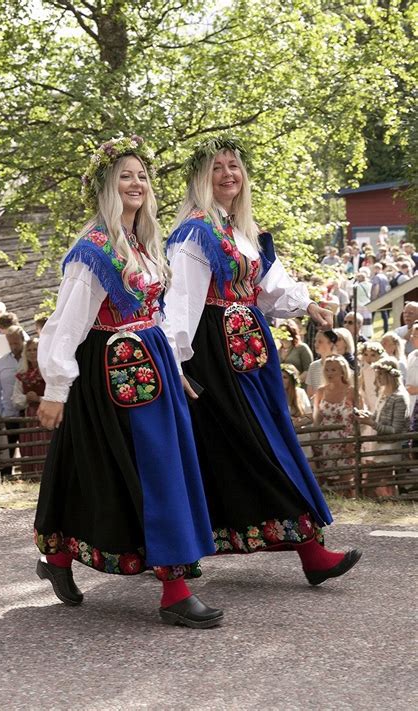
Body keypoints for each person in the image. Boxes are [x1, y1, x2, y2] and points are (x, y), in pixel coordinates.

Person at [34, 135, 221, 629]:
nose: (136, 183)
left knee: (125, 471)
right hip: (112, 372)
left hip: (151, 367)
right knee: (148, 471)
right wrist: (56, 388)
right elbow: (67, 322)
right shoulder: (92, 251)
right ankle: (174, 590)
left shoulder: (142, 243)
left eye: (141, 175)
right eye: (125, 176)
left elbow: (156, 313)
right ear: (105, 187)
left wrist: (175, 368)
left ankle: (57, 558)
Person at [165, 135, 361, 587]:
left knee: (247, 445)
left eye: (234, 165)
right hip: (215, 355)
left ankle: (173, 550)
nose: (228, 174)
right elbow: (182, 304)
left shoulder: (240, 230)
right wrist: (176, 363)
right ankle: (310, 551)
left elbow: (269, 282)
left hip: (251, 353)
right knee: (255, 446)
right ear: (200, 178)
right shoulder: (196, 233)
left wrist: (306, 303)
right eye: (217, 167)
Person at [355, 358, 409, 497]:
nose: (377, 378)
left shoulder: (399, 398)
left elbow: (395, 430)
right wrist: (368, 416)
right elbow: (380, 417)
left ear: (389, 375)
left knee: (375, 484)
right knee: (382, 482)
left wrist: (371, 423)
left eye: (380, 374)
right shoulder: (384, 394)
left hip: (389, 448)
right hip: (379, 446)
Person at [313, 355, 358, 496]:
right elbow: (317, 418)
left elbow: (359, 417)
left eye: (333, 370)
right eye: (327, 370)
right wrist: (315, 442)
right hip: (326, 440)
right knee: (328, 479)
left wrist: (353, 439)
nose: (329, 373)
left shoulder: (351, 391)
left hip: (346, 440)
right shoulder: (321, 391)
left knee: (346, 480)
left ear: (342, 371)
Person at [12, 338, 51, 476]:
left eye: (35, 349)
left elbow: (57, 394)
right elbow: (15, 399)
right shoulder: (22, 374)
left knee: (46, 444)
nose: (32, 352)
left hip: (48, 413)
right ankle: (31, 476)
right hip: (30, 415)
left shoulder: (48, 370)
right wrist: (26, 398)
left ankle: (47, 475)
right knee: (30, 445)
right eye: (29, 350)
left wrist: (39, 398)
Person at [0, 326, 27, 477]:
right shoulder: (0, 363)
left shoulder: (32, 358)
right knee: (8, 446)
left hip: (28, 410)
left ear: (22, 340)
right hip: (9, 411)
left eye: (16, 343)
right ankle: (6, 476)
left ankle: (30, 473)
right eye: (11, 343)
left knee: (28, 445)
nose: (14, 346)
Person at [280, 363, 313, 460]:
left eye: (285, 377)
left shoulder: (300, 393)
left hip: (300, 437)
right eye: (280, 377)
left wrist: (297, 423)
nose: (281, 380)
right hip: (285, 437)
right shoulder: (275, 395)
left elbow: (310, 417)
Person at [306, 330, 337, 398]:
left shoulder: (339, 365)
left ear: (330, 344)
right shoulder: (313, 366)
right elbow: (310, 392)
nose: (316, 344)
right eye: (315, 341)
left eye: (320, 342)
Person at [370, 264, 391, 333]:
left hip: (378, 298)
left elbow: (376, 287)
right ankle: (386, 330)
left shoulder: (377, 277)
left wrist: (374, 298)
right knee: (384, 316)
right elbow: (388, 287)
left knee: (372, 315)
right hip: (384, 297)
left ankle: (369, 330)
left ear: (376, 269)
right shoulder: (384, 276)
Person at [355, 268, 373, 338]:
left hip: (359, 305)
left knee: (359, 320)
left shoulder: (357, 286)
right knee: (367, 321)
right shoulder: (369, 284)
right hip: (367, 304)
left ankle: (360, 333)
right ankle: (368, 333)